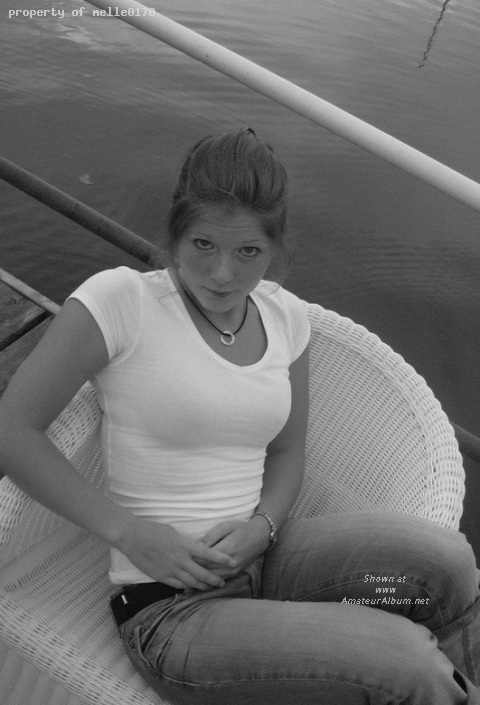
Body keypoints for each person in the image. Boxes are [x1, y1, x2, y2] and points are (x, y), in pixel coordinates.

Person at [0, 126, 479, 705]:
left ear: (274, 249)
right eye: (203, 244)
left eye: (248, 251)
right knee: (405, 664)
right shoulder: (122, 302)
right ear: (176, 232)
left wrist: (264, 527)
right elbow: (13, 431)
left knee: (446, 567)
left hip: (269, 563)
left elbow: (286, 451)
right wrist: (129, 532)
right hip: (172, 613)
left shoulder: (286, 318)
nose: (222, 273)